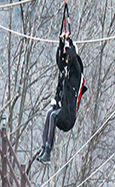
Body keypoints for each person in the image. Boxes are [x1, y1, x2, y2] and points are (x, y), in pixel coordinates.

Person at [37, 33, 87, 163]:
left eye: (67, 58)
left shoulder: (76, 74)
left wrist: (68, 43)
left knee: (53, 116)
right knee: (49, 113)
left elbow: (74, 57)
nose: (65, 61)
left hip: (68, 117)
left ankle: (48, 151)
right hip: (62, 110)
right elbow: (59, 61)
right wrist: (61, 43)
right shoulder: (65, 74)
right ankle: (44, 147)